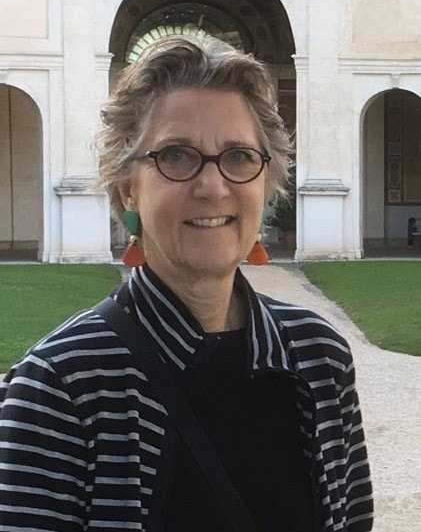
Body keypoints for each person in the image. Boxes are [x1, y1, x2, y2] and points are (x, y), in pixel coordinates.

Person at [0, 35, 373, 532]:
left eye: (239, 156)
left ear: (266, 181)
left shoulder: (319, 356)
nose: (213, 186)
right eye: (176, 155)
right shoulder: (61, 384)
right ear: (128, 189)